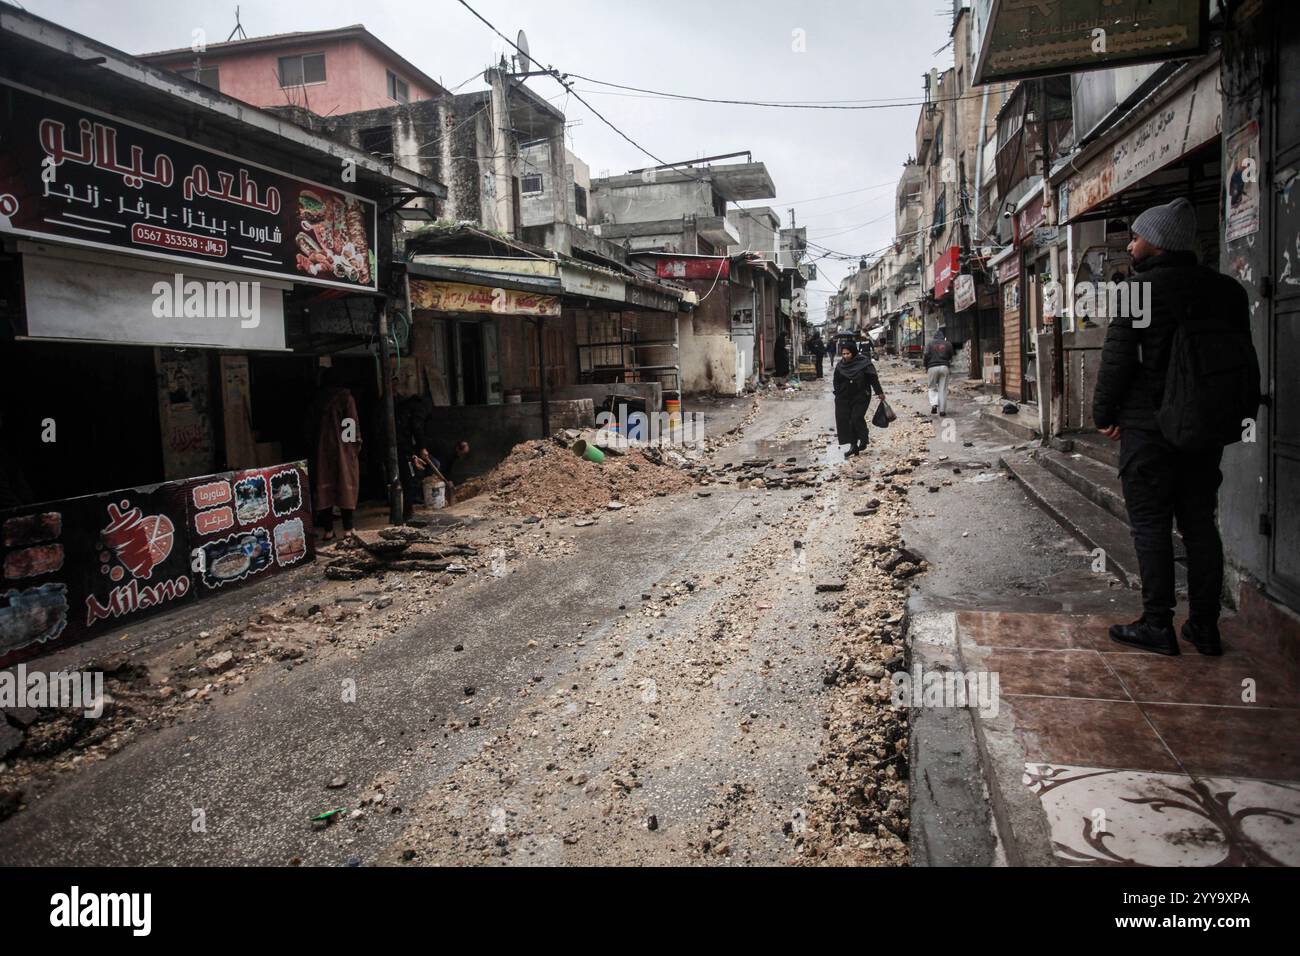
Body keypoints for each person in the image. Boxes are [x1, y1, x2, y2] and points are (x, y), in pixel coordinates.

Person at [1092, 197, 1251, 657]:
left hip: (1150, 429)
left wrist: (1104, 416)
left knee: (1151, 526)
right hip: (1205, 427)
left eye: (1138, 236)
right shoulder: (1229, 291)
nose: (1133, 242)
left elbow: (1117, 361)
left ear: (1158, 243)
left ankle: (1157, 624)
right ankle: (1204, 627)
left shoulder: (1139, 291)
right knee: (1200, 524)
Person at [312, 368, 361, 541]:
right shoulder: (345, 399)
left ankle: (328, 530)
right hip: (341, 449)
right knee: (346, 485)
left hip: (321, 450)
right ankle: (348, 528)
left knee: (325, 488)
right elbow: (350, 425)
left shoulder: (318, 399)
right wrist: (352, 449)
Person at [833, 339, 885, 457]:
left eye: (848, 353)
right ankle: (853, 446)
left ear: (854, 352)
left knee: (856, 417)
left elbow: (873, 379)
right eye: (844, 354)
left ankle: (864, 437)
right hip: (845, 397)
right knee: (847, 421)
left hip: (862, 395)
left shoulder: (863, 362)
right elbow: (836, 380)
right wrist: (837, 393)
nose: (845, 356)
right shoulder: (840, 365)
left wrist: (879, 392)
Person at [923, 326, 954, 416]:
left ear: (934, 337)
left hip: (932, 367)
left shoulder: (929, 343)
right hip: (944, 367)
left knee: (932, 387)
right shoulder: (948, 344)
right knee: (943, 389)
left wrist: (925, 366)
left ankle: (934, 404)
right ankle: (942, 411)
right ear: (943, 337)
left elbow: (926, 355)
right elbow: (951, 356)